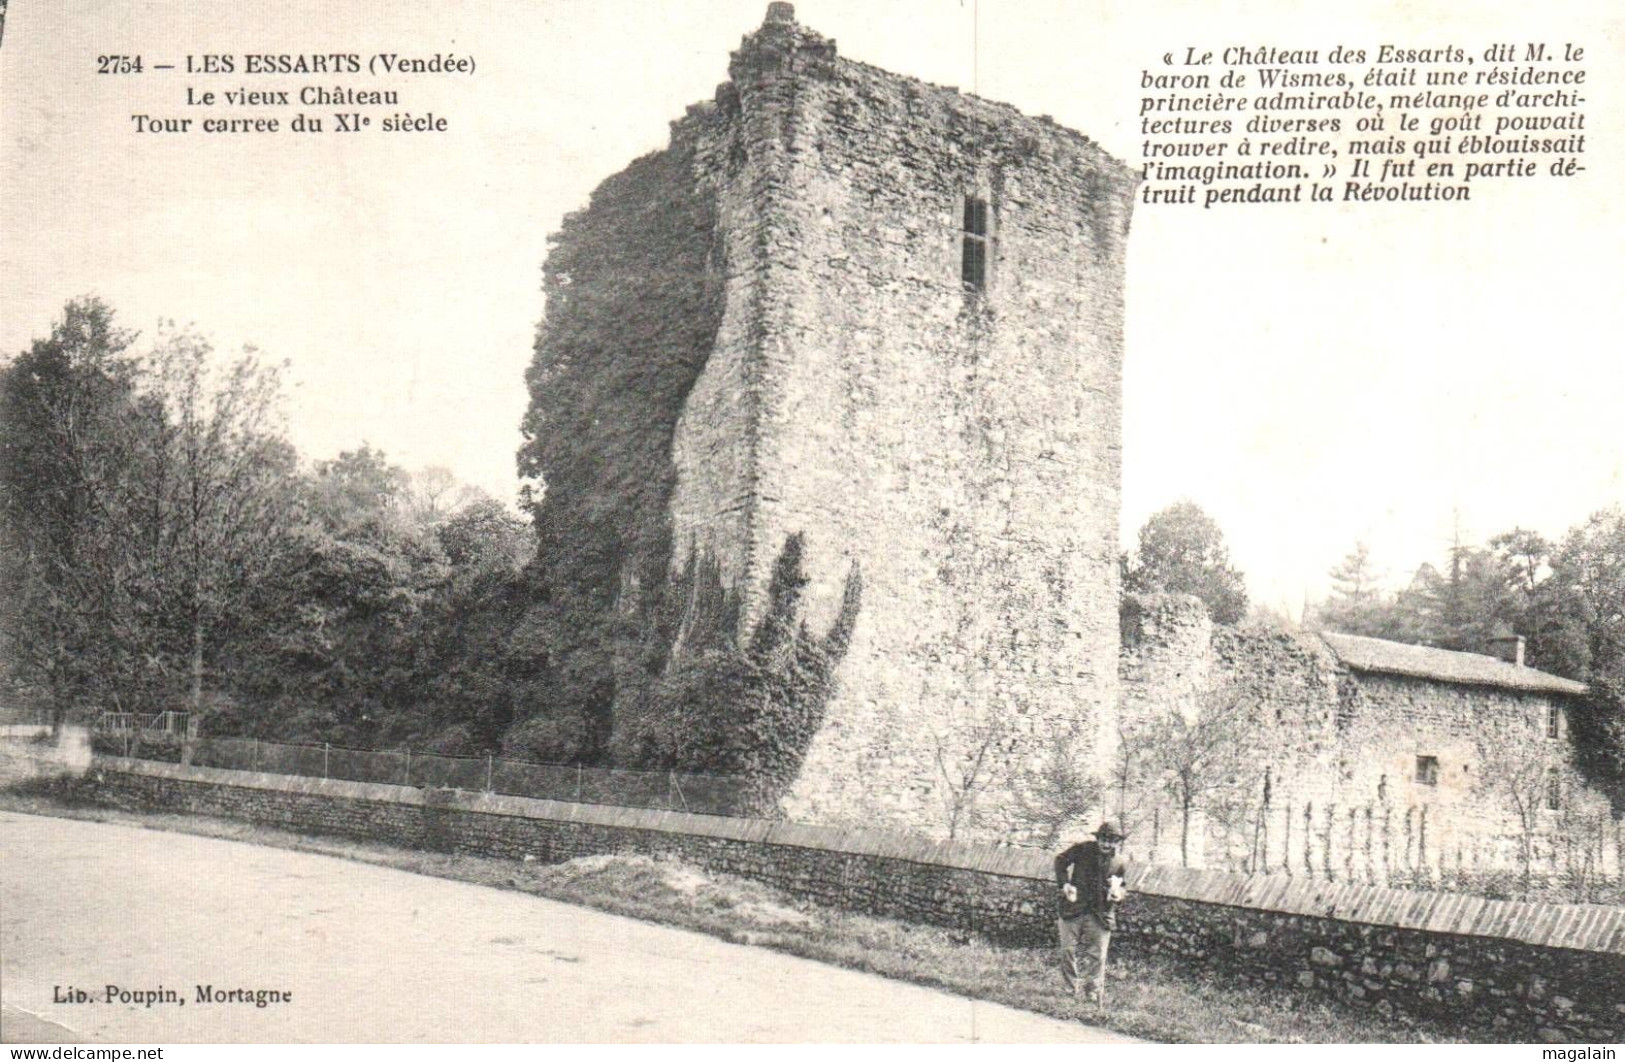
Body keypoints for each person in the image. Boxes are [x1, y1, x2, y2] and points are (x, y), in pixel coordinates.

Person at [1054, 821, 1128, 1006]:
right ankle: (1069, 988)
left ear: (1118, 842)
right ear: (1098, 839)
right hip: (1073, 908)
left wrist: (1117, 895)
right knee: (1068, 950)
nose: (1107, 844)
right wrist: (1065, 884)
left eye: (1112, 841)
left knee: (1098, 956)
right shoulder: (1082, 849)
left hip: (1101, 913)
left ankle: (1093, 992)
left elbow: (1121, 886)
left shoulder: (1120, 862)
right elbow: (1060, 861)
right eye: (1103, 839)